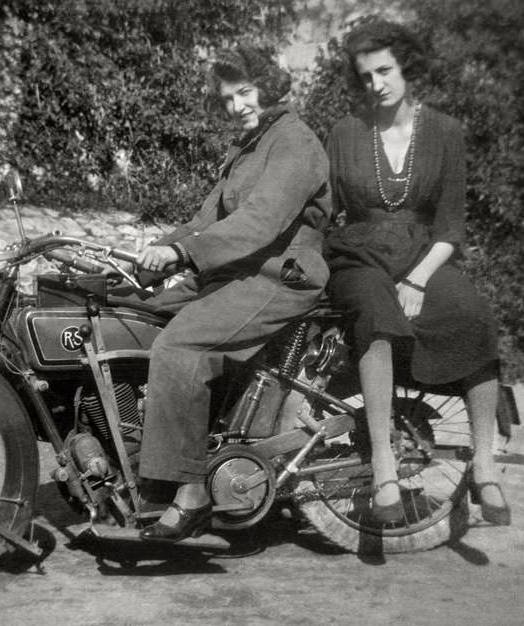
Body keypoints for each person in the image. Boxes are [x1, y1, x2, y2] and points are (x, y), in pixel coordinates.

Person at [132, 46, 331, 542]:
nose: (237, 105)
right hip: (235, 271)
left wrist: (185, 256)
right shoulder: (246, 147)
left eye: (246, 92)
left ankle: (191, 493)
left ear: (268, 86)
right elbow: (205, 222)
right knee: (132, 317)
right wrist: (153, 253)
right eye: (228, 98)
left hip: (280, 276)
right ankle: (149, 463)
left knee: (179, 345)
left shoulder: (294, 142)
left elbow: (260, 219)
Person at [324, 19, 510, 525]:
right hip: (358, 253)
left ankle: (485, 462)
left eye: (384, 71)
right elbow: (324, 210)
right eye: (365, 77)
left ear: (407, 66)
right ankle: (383, 462)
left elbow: (451, 225)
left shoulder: (446, 131)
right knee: (374, 312)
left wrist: (418, 278)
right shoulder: (344, 132)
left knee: (474, 314)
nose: (376, 84)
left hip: (422, 253)